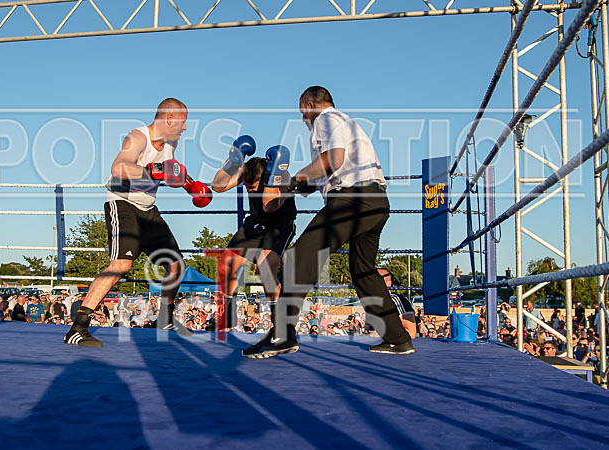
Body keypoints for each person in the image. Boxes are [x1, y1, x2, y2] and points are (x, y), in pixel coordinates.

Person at [243, 86, 413, 358]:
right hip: (376, 202)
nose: (303, 120)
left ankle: (282, 336)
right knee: (364, 272)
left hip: (351, 201)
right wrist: (301, 186)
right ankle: (398, 338)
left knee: (300, 258)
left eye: (303, 113)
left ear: (310, 104)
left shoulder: (325, 119)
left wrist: (295, 179)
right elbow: (328, 170)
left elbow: (332, 161)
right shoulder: (348, 124)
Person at [64, 98, 211, 347]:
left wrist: (190, 186)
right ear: (170, 118)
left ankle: (164, 319)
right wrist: (153, 171)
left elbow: (168, 170)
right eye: (183, 122)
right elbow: (119, 167)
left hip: (147, 209)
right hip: (123, 204)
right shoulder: (137, 137)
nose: (185, 128)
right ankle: (78, 328)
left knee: (175, 265)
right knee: (121, 265)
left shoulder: (170, 143)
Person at [211, 137, 297, 330]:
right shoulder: (248, 172)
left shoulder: (281, 176)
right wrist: (232, 161)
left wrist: (272, 177)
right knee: (225, 266)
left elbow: (269, 207)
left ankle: (280, 325)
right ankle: (228, 318)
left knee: (265, 270)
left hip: (279, 225)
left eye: (253, 185)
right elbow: (217, 186)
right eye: (247, 184)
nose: (249, 188)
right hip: (255, 224)